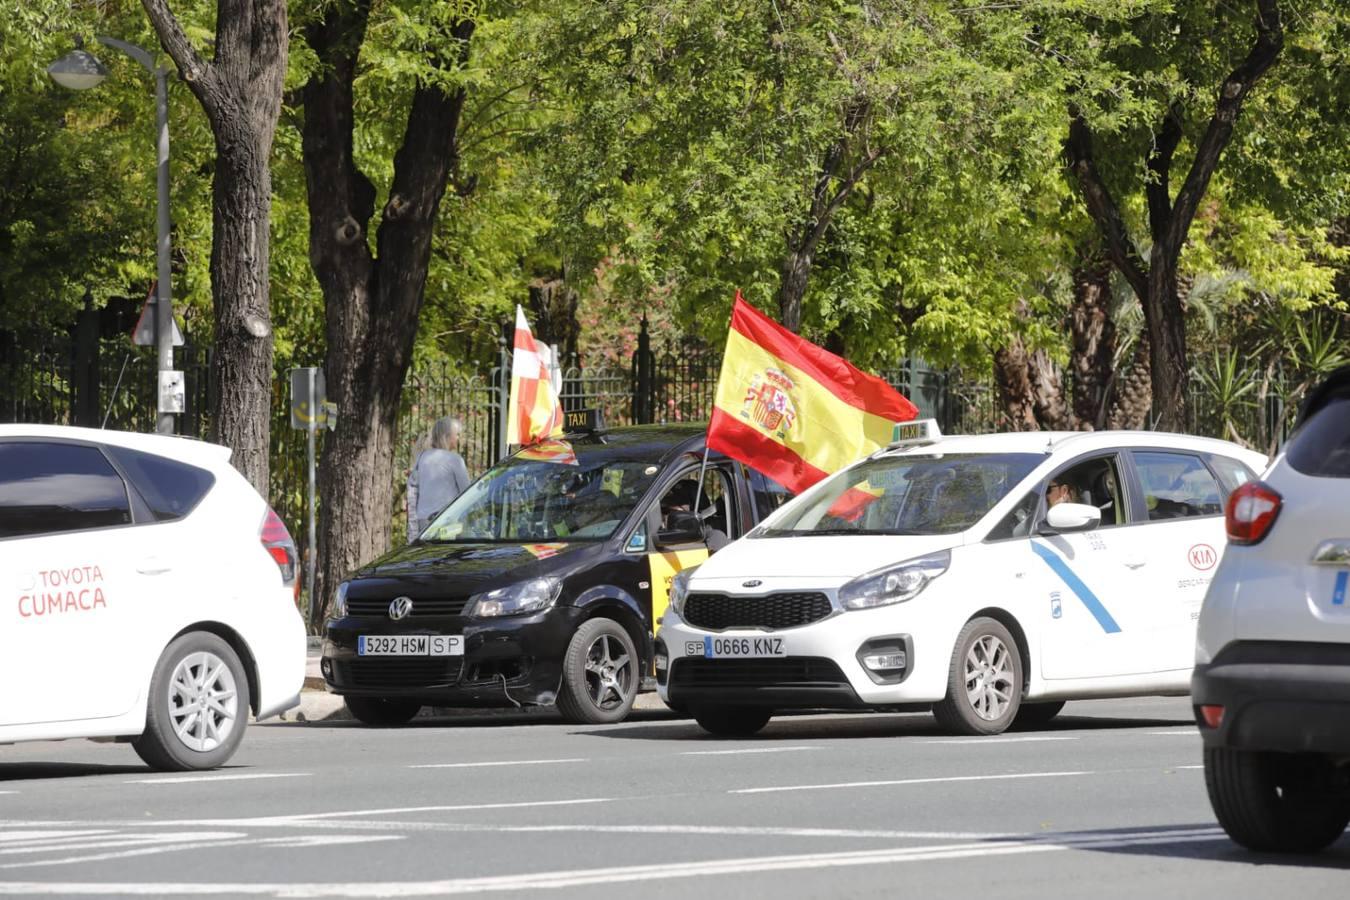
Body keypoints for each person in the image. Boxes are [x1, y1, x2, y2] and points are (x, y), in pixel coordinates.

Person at [407, 416, 471, 541]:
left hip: (424, 523)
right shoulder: (455, 460)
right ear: (447, 436)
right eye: (456, 435)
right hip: (447, 523)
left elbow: (413, 491)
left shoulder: (422, 457)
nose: (458, 439)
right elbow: (467, 494)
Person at [660, 477, 729, 552]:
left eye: (671, 513)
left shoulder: (713, 537)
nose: (663, 517)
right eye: (662, 511)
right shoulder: (660, 534)